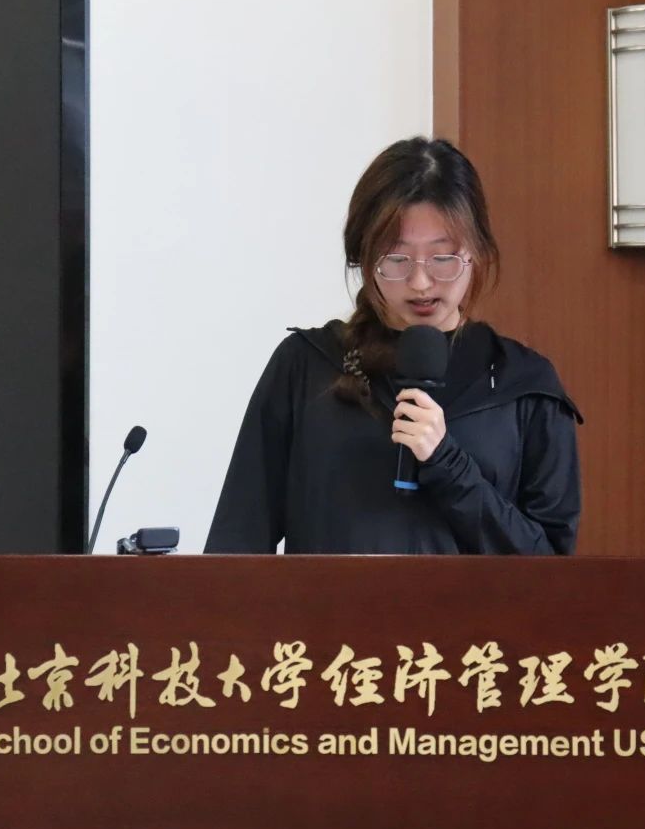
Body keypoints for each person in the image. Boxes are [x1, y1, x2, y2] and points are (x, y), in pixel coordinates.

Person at [204, 137, 581, 555]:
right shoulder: (305, 366)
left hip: (471, 604)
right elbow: (236, 545)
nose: (420, 282)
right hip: (327, 603)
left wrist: (449, 466)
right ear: (363, 258)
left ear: (475, 253)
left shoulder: (523, 385)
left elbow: (551, 568)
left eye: (443, 258)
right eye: (397, 260)